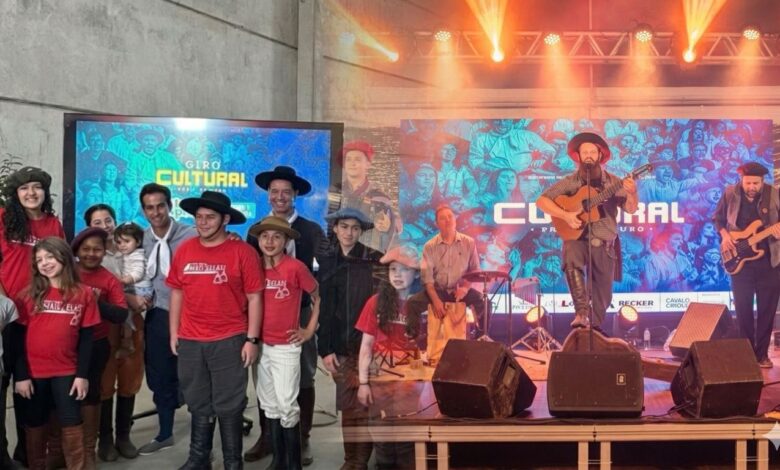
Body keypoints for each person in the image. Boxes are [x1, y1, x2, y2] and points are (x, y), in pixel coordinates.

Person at [167, 190, 263, 469]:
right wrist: (174, 332)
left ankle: (233, 462)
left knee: (229, 402)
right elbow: (177, 293)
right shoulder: (185, 249)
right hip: (190, 339)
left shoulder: (243, 252)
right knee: (197, 400)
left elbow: (255, 297)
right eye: (199, 217)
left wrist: (252, 339)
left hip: (229, 339)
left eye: (210, 217)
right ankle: (199, 458)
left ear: (225, 220)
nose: (203, 222)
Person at [246, 165, 325, 466]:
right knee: (265, 382)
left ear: (295, 195)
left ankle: (301, 438)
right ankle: (268, 436)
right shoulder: (256, 231)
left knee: (302, 375)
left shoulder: (311, 229)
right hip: (264, 315)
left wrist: (311, 324)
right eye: (274, 191)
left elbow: (324, 273)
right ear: (268, 194)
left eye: (286, 192)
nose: (280, 197)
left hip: (299, 311)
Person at [535, 132, 638, 330]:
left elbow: (631, 209)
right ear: (579, 156)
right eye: (585, 152)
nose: (589, 156)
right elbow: (542, 201)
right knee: (571, 255)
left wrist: (632, 193)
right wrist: (565, 215)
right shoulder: (571, 181)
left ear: (600, 155)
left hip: (604, 242)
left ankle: (593, 328)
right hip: (577, 239)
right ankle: (581, 313)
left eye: (592, 152)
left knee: (603, 295)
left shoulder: (614, 182)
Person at [15, 237, 101, 470]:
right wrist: (21, 376)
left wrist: (82, 375)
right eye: (39, 259)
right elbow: (16, 340)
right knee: (36, 422)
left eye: (50, 256)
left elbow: (87, 339)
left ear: (64, 257)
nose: (45, 263)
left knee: (71, 421)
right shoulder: (27, 296)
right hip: (34, 373)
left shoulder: (83, 294)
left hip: (67, 371)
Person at [0, 167, 65, 467]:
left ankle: (26, 454)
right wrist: (4, 302)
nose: (31, 193)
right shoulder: (4, 219)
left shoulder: (53, 224)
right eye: (24, 188)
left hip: (40, 319)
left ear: (45, 192)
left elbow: (61, 267)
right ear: (16, 194)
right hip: (7, 319)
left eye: (37, 187)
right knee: (3, 385)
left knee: (30, 389)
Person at [318, 207, 382, 470]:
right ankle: (350, 459)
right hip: (339, 345)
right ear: (335, 228)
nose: (349, 233)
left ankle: (362, 461)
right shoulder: (327, 261)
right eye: (344, 227)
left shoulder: (374, 260)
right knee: (347, 406)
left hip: (367, 344)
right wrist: (325, 349)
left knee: (365, 405)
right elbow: (324, 307)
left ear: (361, 231)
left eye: (355, 228)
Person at [137, 183, 197, 455]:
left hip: (192, 315)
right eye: (149, 208)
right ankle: (164, 434)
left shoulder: (191, 235)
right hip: (159, 314)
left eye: (160, 205)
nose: (156, 212)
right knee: (159, 376)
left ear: (170, 206)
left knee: (195, 376)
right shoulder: (141, 239)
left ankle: (201, 439)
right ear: (144, 211)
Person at [84, 205, 144, 463]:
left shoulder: (133, 249)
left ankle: (123, 436)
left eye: (108, 220)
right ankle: (106, 439)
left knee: (130, 378)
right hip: (106, 324)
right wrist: (127, 298)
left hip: (135, 323)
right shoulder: (89, 256)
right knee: (105, 382)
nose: (104, 226)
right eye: (97, 222)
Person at [355, 245, 421, 470]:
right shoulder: (375, 302)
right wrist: (363, 383)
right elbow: (366, 346)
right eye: (393, 269)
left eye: (404, 269)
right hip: (380, 377)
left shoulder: (423, 305)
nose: (398, 275)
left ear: (416, 274)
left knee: (406, 439)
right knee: (382, 435)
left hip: (411, 381)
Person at [72, 227, 131, 468]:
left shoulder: (109, 279)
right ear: (77, 251)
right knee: (61, 396)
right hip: (64, 345)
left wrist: (95, 301)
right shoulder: (67, 272)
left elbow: (121, 314)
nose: (91, 254)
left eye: (97, 249)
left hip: (96, 345)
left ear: (104, 251)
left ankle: (88, 451)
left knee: (92, 395)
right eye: (86, 249)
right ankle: (63, 451)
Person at [713, 162, 780, 368]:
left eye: (756, 183)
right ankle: (747, 355)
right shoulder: (730, 193)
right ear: (741, 180)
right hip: (739, 260)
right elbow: (718, 219)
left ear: (763, 181)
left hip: (769, 261)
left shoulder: (774, 194)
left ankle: (762, 355)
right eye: (748, 183)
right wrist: (725, 236)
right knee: (742, 310)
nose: (751, 187)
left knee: (767, 309)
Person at [405, 204, 485, 340]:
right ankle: (413, 338)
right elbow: (427, 280)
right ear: (437, 224)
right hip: (438, 291)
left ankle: (481, 337)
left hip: (459, 291)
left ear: (455, 219)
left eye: (450, 217)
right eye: (443, 218)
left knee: (482, 302)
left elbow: (475, 270)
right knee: (412, 303)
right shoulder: (429, 246)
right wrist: (436, 300)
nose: (447, 220)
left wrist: (465, 289)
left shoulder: (469, 242)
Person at [113, 222, 152, 359]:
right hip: (134, 289)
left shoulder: (137, 255)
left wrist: (124, 280)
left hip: (140, 290)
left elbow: (138, 273)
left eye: (127, 241)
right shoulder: (127, 254)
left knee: (126, 314)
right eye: (119, 242)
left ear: (138, 242)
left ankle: (127, 342)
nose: (122, 245)